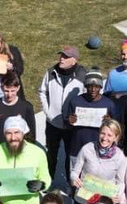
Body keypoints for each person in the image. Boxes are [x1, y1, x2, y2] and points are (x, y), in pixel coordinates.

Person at [39, 46, 86, 182]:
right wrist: (48, 113)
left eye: (66, 57)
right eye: (61, 55)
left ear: (74, 60)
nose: (61, 59)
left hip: (72, 126)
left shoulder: (82, 75)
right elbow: (42, 92)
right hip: (53, 123)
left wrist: (79, 117)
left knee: (70, 156)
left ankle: (69, 184)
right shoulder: (51, 72)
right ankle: (48, 181)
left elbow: (86, 97)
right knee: (51, 154)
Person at [71, 119, 126, 204]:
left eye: (109, 135)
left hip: (104, 202)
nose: (105, 138)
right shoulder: (87, 149)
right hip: (84, 198)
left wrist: (118, 194)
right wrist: (74, 178)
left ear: (116, 137)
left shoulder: (119, 157)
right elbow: (74, 171)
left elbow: (120, 182)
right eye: (102, 133)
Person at [67, 68, 117, 169]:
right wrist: (70, 121)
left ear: (101, 87)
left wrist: (110, 122)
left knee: (96, 177)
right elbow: (67, 124)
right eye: (90, 86)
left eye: (97, 86)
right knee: (75, 175)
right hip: (77, 148)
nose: (93, 90)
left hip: (99, 149)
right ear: (86, 86)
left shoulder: (108, 104)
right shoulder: (75, 101)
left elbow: (117, 126)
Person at [0, 73, 36, 151]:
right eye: (6, 91)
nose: (9, 94)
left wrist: (28, 150)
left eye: (12, 91)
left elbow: (31, 133)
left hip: (21, 151)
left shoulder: (26, 107)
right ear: (1, 88)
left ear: (18, 88)